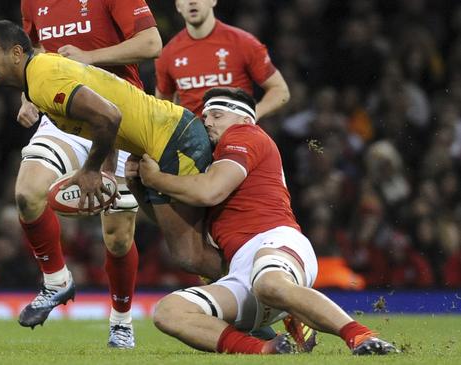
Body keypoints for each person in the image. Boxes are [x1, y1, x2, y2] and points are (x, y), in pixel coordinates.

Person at [0, 15, 225, 329]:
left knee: (192, 254)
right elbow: (103, 113)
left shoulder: (43, 80)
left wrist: (91, 171)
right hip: (166, 136)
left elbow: (108, 116)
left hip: (173, 142)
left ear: (15, 53)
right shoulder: (42, 74)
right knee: (199, 246)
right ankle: (258, 299)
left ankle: (267, 296)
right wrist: (107, 170)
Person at [134, 87, 397, 355]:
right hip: (240, 268)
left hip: (276, 242)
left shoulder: (245, 134)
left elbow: (210, 191)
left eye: (217, 115)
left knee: (269, 283)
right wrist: (140, 187)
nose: (207, 122)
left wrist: (156, 180)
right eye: (206, 116)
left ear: (246, 119)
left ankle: (361, 336)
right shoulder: (214, 163)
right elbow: (175, 227)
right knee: (168, 312)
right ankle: (266, 348)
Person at [14, 0, 162, 349]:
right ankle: (56, 281)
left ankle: (121, 323)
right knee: (27, 192)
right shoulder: (32, 2)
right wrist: (29, 93)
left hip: (123, 111)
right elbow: (35, 52)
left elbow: (152, 44)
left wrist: (89, 57)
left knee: (118, 237)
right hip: (64, 110)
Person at [155, 0, 290, 119]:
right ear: (178, 5)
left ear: (213, 1)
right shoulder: (168, 54)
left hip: (236, 138)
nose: (192, 2)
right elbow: (162, 108)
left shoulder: (243, 43)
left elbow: (280, 91)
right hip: (193, 143)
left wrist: (252, 114)